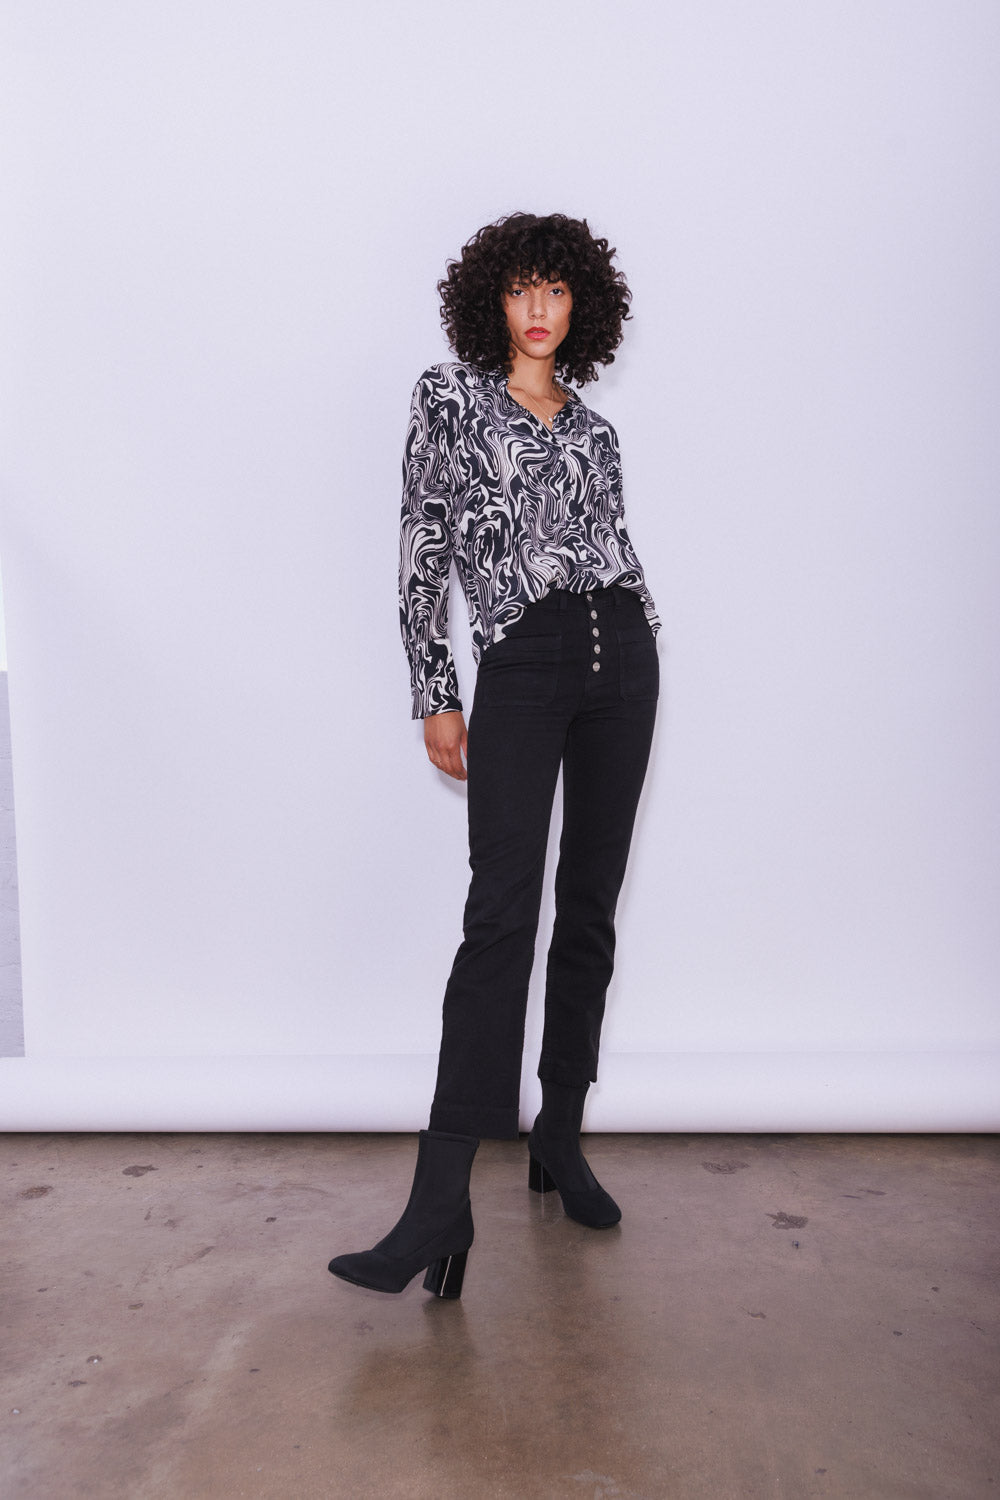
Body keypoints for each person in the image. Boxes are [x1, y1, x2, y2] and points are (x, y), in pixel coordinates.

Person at [328, 211, 660, 1299]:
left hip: (623, 657)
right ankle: (440, 1200)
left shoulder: (597, 433)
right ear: (492, 299)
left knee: (590, 904)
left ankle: (559, 1133)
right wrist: (435, 689)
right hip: (522, 661)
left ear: (580, 307)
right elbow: (421, 544)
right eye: (521, 288)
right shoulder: (449, 397)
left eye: (556, 291)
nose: (538, 309)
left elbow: (615, 549)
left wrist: (635, 642)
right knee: (500, 916)